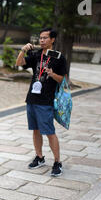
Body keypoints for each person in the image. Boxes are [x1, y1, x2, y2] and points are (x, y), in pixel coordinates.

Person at [15, 27, 67, 177]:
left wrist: (52, 74)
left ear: (52, 40)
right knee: (35, 130)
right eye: (40, 38)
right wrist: (22, 50)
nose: (42, 40)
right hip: (32, 98)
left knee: (49, 132)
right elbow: (19, 63)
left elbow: (62, 79)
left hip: (46, 100)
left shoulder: (58, 57)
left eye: (45, 38)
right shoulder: (37, 55)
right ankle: (39, 157)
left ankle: (57, 162)